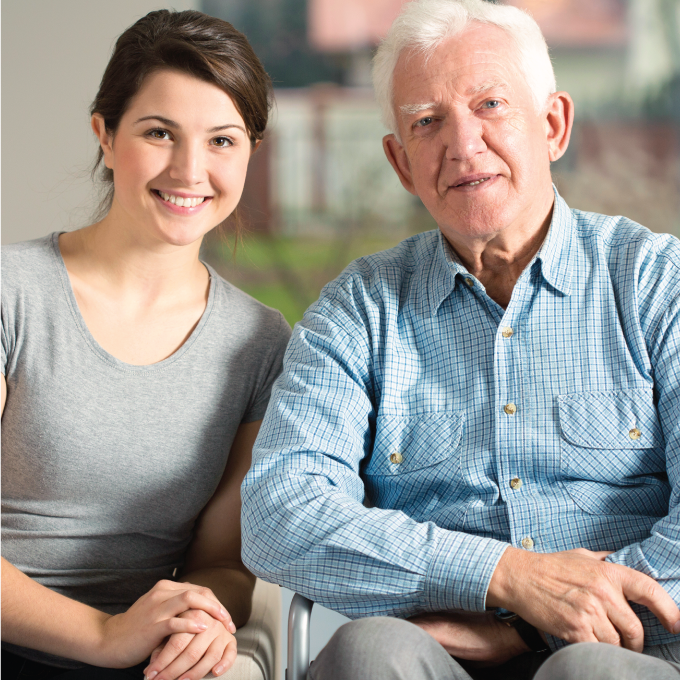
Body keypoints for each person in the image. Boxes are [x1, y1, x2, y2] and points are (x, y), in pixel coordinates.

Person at [241, 0, 680, 678]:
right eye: (427, 122)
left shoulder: (656, 283)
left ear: (554, 125)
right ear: (401, 162)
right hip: (435, 654)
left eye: (491, 104)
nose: (462, 143)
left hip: (629, 652)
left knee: (586, 671)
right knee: (370, 650)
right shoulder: (357, 312)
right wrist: (502, 576)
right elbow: (279, 514)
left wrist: (536, 628)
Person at [0, 9, 289, 680]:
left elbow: (222, 562)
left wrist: (196, 617)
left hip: (143, 659)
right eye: (160, 133)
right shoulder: (12, 294)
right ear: (104, 134)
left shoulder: (257, 342)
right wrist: (105, 633)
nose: (190, 170)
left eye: (222, 141)